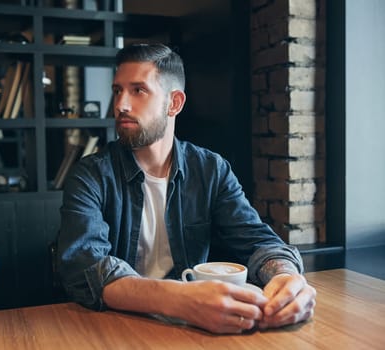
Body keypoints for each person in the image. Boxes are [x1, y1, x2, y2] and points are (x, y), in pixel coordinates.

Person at [56, 43, 316, 334]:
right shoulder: (90, 175)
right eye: (118, 90)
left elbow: (258, 242)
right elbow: (85, 269)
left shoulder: (211, 170)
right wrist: (179, 299)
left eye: (138, 90)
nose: (121, 105)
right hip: (115, 329)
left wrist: (286, 277)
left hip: (193, 330)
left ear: (174, 103)